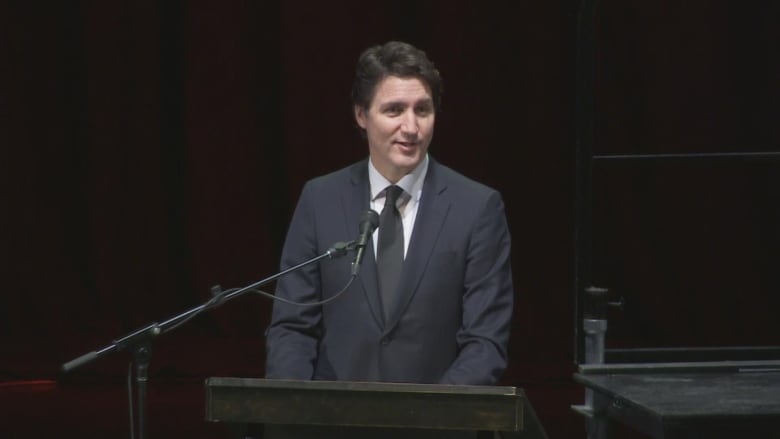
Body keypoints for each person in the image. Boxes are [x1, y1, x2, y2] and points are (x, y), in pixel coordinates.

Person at [265, 41, 514, 388]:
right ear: (361, 115)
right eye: (394, 110)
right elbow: (292, 327)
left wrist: (432, 416)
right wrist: (293, 409)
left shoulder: (477, 208)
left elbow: (484, 343)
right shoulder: (319, 199)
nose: (411, 128)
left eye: (422, 110)